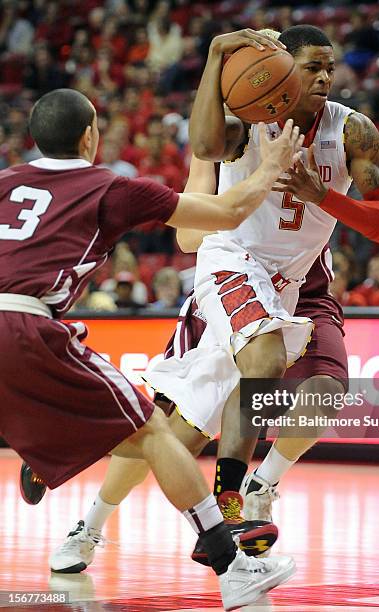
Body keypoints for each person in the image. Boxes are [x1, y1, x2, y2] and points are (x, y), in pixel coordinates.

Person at [25, 29, 379, 569]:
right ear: (278, 69)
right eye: (310, 67)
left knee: (325, 394)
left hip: (304, 285)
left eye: (328, 68)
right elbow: (194, 202)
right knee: (178, 433)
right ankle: (92, 522)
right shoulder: (241, 124)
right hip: (234, 270)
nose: (323, 77)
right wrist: (216, 61)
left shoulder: (348, 127)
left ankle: (253, 492)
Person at [1, 86, 304, 610]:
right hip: (26, 324)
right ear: (91, 137)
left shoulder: (3, 181)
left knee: (155, 431)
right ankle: (232, 567)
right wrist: (271, 163)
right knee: (154, 431)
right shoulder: (110, 187)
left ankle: (47, 449)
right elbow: (228, 210)